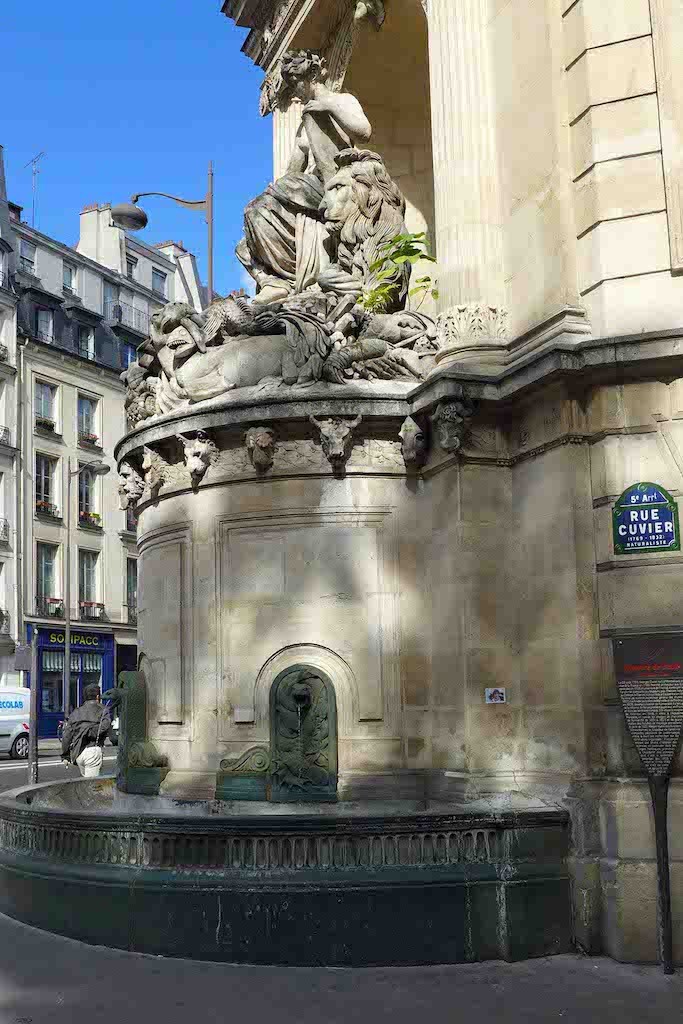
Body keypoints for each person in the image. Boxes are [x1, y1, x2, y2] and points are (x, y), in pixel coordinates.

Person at [61, 684, 113, 778]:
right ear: (98, 696)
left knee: (86, 781)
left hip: (78, 753)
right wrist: (90, 732)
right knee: (91, 786)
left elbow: (67, 735)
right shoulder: (102, 710)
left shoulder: (76, 712)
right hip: (92, 751)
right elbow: (105, 726)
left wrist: (65, 754)